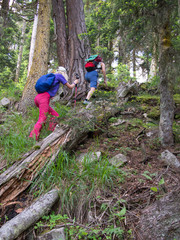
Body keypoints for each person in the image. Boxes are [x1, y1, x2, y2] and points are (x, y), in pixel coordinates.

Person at [29, 66, 79, 140]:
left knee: (55, 115)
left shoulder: (52, 76)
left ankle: (51, 131)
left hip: (38, 98)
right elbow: (70, 87)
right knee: (42, 118)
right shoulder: (59, 76)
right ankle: (32, 137)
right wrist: (75, 82)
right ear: (63, 72)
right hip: (43, 99)